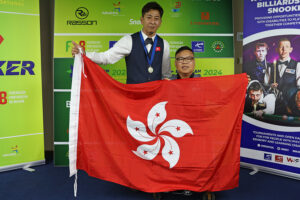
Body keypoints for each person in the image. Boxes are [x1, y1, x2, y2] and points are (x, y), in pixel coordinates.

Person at [72, 1, 171, 84]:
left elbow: (166, 75)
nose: (152, 22)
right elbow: (106, 57)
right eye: (149, 17)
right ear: (142, 20)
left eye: (156, 18)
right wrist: (85, 54)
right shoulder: (129, 40)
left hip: (155, 98)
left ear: (160, 22)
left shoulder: (164, 44)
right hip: (134, 97)